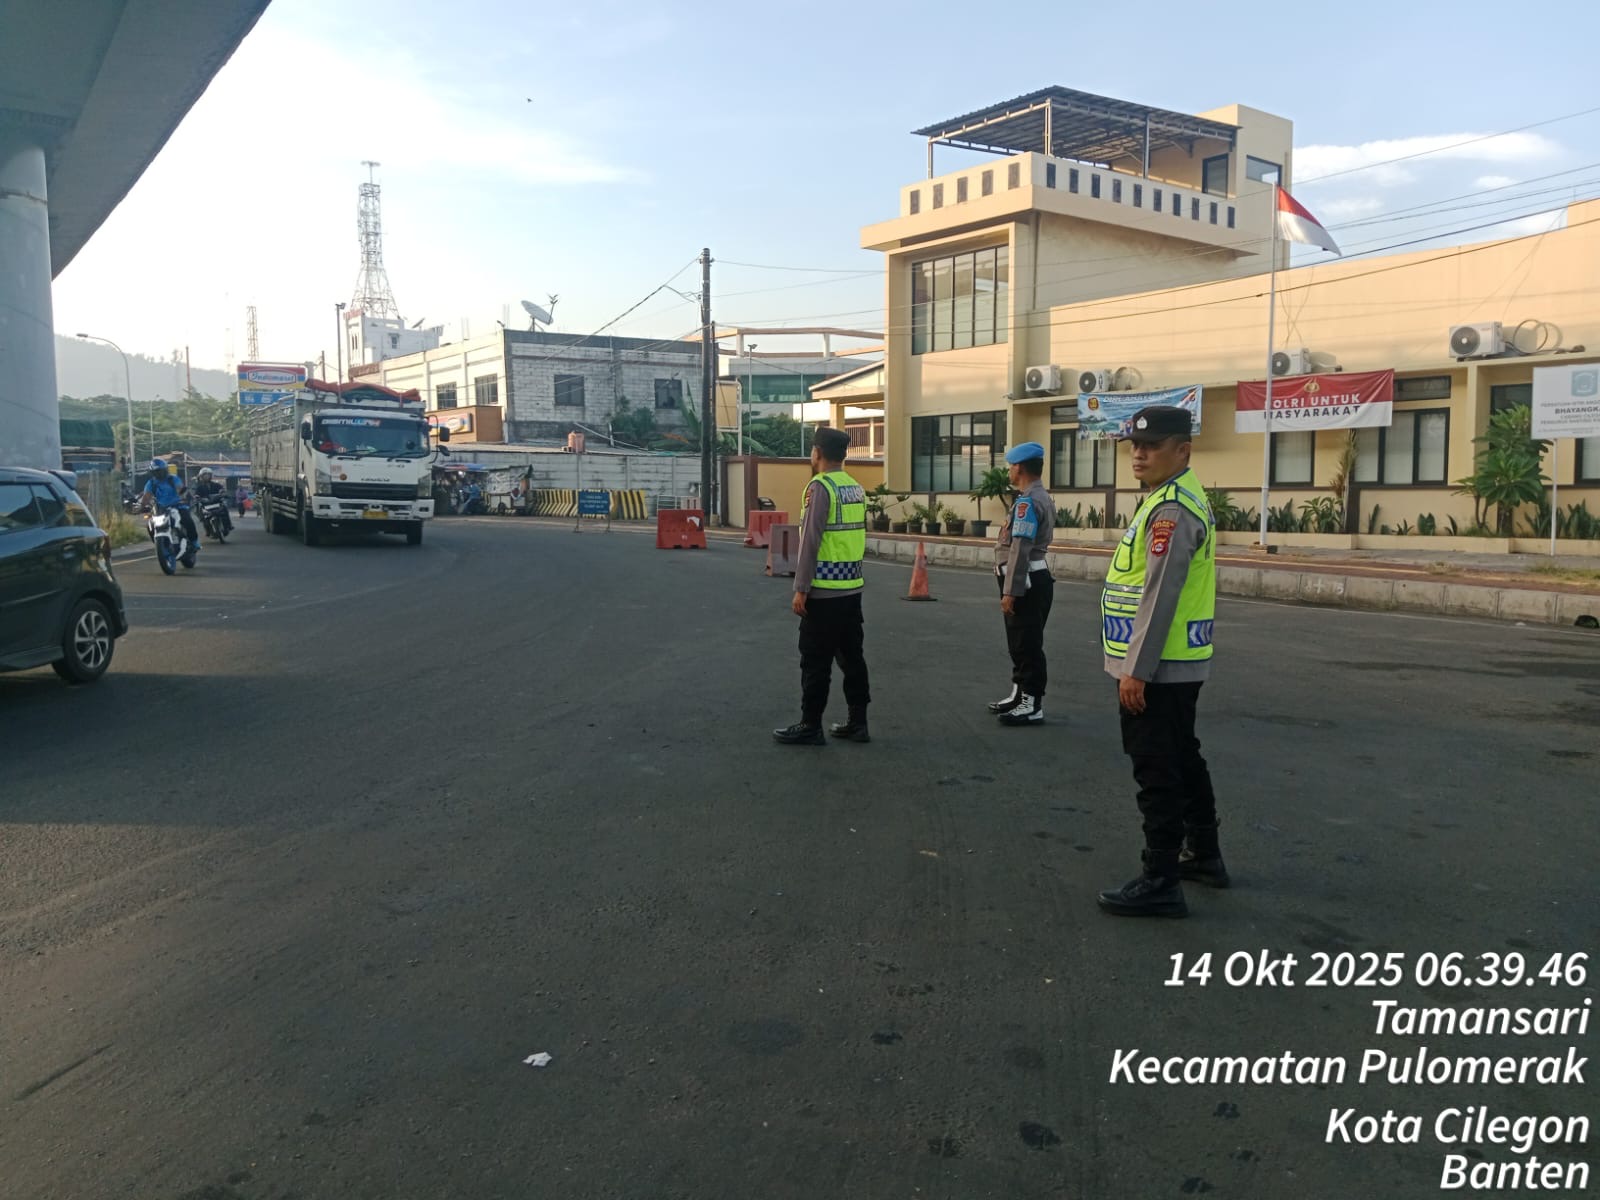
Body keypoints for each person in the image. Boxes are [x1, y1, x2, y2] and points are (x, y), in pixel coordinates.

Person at [1096, 406, 1223, 918]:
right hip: (1175, 660)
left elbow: (1160, 593)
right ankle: (1204, 853)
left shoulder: (1172, 509)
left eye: (1152, 446)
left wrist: (1137, 670)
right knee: (1183, 757)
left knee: (1156, 768)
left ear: (1183, 450)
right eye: (1135, 446)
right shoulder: (1170, 497)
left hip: (1158, 666)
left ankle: (1161, 878)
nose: (1139, 454)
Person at [772, 427, 871, 745]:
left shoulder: (820, 487)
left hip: (824, 591)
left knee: (815, 660)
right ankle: (858, 722)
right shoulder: (855, 488)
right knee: (852, 657)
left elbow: (810, 541)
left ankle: (810, 724)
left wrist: (801, 588)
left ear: (817, 453)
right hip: (851, 588)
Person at [988, 441, 1056, 726]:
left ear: (1019, 468)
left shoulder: (1028, 502)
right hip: (1030, 578)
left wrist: (1011, 591)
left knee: (1027, 644)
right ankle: (1019, 695)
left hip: (1025, 581)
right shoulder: (1038, 496)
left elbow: (1020, 549)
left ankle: (1031, 703)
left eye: (1011, 467)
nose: (1009, 472)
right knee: (1019, 642)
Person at [140, 458, 199, 564]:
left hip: (177, 505)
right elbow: (147, 496)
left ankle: (194, 541)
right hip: (160, 509)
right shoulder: (151, 483)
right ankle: (160, 545)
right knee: (150, 525)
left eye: (160, 471)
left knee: (187, 519)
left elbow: (179, 488)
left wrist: (182, 493)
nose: (159, 473)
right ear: (152, 472)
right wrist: (142, 506)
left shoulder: (173, 479)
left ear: (165, 470)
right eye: (156, 471)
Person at [192, 467, 233, 536]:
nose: (207, 476)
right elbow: (196, 494)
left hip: (216, 503)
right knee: (201, 514)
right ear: (201, 476)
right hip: (206, 505)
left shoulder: (216, 485)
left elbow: (221, 490)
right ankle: (207, 530)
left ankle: (228, 526)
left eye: (208, 475)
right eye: (205, 475)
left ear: (211, 476)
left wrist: (223, 493)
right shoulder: (199, 487)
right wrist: (196, 497)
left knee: (224, 509)